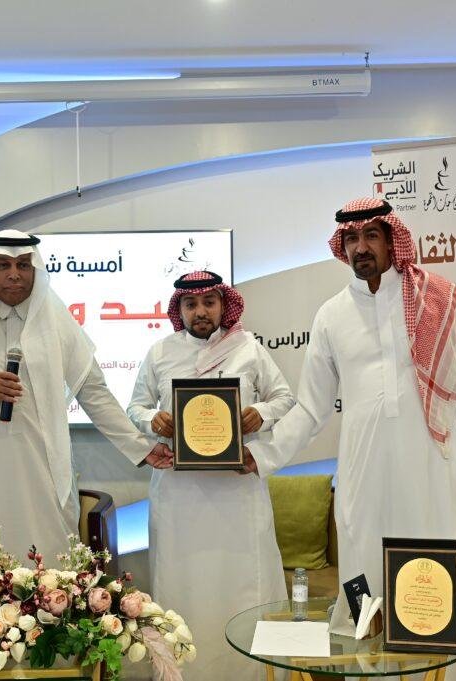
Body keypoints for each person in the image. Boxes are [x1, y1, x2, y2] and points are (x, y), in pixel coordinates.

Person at [245, 198, 456, 681]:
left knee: (437, 579)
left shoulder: (438, 300)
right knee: (363, 578)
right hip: (363, 474)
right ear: (341, 247)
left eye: (371, 236)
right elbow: (311, 408)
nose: (360, 248)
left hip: (433, 466)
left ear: (391, 240)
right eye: (351, 239)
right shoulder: (331, 316)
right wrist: (263, 455)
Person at [0, 229, 172, 573]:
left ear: (35, 269)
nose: (14, 274)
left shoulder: (57, 321)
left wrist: (142, 447)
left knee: (52, 571)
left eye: (23, 265)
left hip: (44, 470)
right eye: (3, 265)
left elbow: (94, 393)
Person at [126, 271, 295, 681]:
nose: (200, 311)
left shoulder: (249, 349)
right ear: (179, 310)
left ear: (223, 305)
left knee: (243, 588)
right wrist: (153, 420)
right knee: (182, 588)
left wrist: (262, 413)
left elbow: (285, 397)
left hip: (237, 493)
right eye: (191, 304)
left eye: (209, 303)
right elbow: (135, 407)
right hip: (179, 497)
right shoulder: (160, 353)